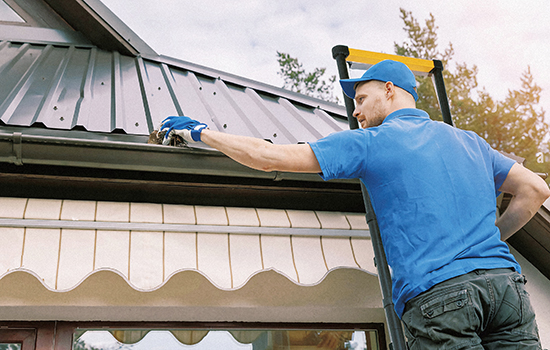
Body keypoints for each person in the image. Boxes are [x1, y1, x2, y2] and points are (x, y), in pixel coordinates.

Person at [160, 60, 550, 349]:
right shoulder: (470, 141)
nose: (357, 111)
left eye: (362, 99)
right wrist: (484, 240)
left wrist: (201, 132)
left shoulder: (373, 142)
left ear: (391, 90)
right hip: (506, 290)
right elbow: (535, 189)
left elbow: (269, 157)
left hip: (441, 296)